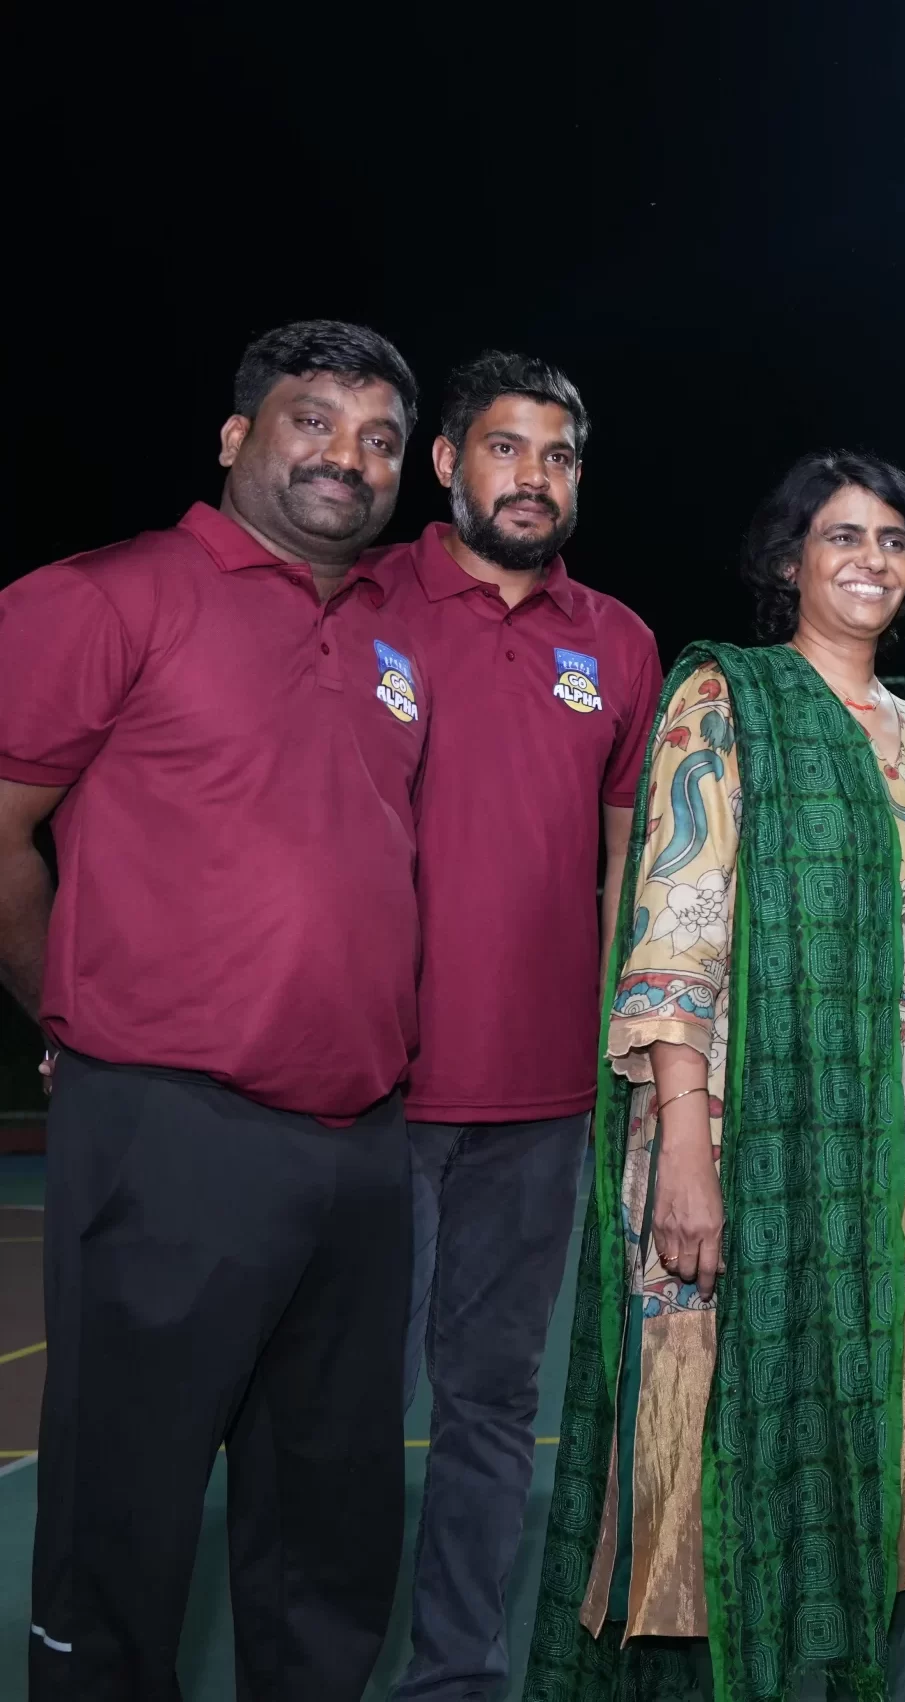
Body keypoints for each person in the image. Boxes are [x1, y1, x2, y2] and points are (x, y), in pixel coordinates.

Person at [0, 320, 425, 1700]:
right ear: (237, 437)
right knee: (127, 1507)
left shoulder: (383, 632)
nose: (345, 457)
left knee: (331, 1524)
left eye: (377, 438)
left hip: (362, 1138)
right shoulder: (106, 596)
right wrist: (67, 1010)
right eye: (313, 421)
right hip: (173, 1120)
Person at [525, 451, 905, 1700]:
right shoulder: (725, 702)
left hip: (893, 1151)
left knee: (852, 1425)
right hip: (745, 1137)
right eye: (840, 536)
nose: (870, 560)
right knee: (717, 1429)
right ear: (787, 562)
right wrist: (683, 1144)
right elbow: (675, 929)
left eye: (893, 540)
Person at [371, 350, 662, 1702]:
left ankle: (458, 1676)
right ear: (445, 462)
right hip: (363, 1098)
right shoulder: (361, 603)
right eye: (504, 448)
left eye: (557, 455)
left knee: (490, 1413)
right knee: (340, 1415)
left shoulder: (615, 642)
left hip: (539, 1107)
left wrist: (624, 1066)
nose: (531, 477)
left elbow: (625, 874)